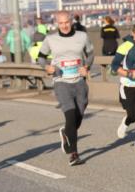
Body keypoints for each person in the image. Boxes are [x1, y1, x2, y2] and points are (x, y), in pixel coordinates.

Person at [37, 11, 94, 166]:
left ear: (71, 21)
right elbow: (40, 57)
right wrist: (46, 67)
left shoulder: (82, 36)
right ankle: (74, 154)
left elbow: (90, 54)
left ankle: (66, 132)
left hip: (79, 82)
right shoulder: (50, 39)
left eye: (66, 22)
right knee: (70, 116)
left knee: (79, 115)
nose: (64, 26)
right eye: (61, 23)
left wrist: (86, 66)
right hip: (61, 81)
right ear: (57, 24)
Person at [112, 24, 135, 152]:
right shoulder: (125, 46)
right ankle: (126, 122)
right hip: (128, 85)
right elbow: (114, 66)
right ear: (133, 34)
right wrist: (129, 74)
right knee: (133, 115)